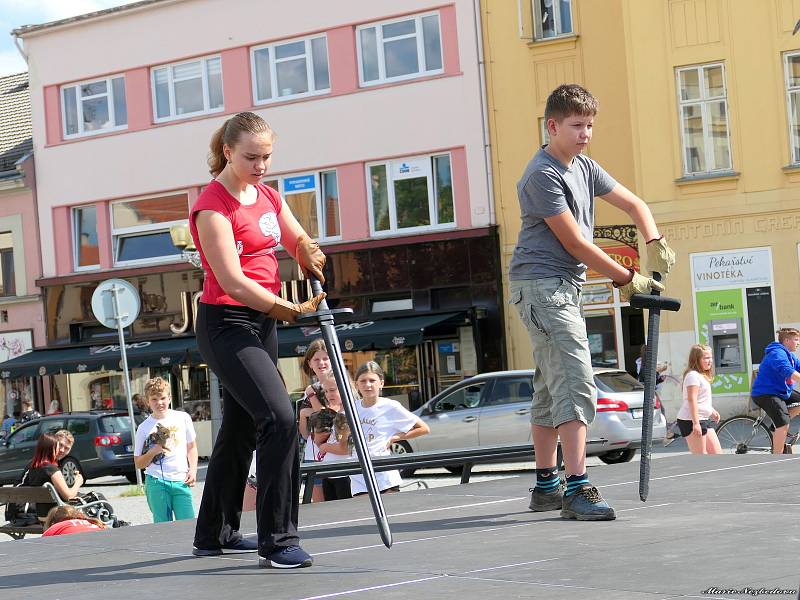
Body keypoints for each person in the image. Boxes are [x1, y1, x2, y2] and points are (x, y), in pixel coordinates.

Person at [508, 84, 675, 521]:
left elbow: (634, 203)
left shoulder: (583, 166)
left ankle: (547, 485)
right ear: (552, 126)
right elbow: (577, 243)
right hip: (543, 286)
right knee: (578, 381)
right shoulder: (541, 174)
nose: (585, 134)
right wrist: (627, 278)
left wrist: (652, 238)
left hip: (559, 287)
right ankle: (577, 489)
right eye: (577, 126)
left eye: (589, 126)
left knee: (550, 386)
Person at [189, 111, 326, 569]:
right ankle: (279, 540)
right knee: (281, 420)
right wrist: (282, 307)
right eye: (251, 157)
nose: (261, 165)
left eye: (267, 156)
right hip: (226, 323)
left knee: (242, 426)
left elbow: (294, 236)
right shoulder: (213, 206)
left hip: (260, 322)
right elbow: (231, 280)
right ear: (227, 152)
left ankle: (216, 532)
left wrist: (306, 249)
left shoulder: (267, 195)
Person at [350, 361, 430, 496]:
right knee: (364, 514)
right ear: (356, 384)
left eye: (372, 380)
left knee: (390, 514)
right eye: (363, 381)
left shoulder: (390, 406)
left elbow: (423, 428)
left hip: (384, 474)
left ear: (381, 383)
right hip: (359, 474)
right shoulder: (352, 408)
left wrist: (396, 437)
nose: (367, 385)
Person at [134, 377, 198, 523]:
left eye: (163, 398)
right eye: (154, 399)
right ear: (148, 401)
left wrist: (193, 470)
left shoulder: (183, 418)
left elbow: (191, 446)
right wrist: (153, 452)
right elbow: (138, 463)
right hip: (156, 482)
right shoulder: (144, 428)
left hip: (181, 480)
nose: (159, 403)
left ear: (169, 397)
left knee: (188, 524)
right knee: (163, 527)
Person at [751, 328, 800, 454]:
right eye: (795, 340)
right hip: (765, 393)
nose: (798, 342)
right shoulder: (776, 353)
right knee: (783, 424)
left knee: (784, 419)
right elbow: (787, 370)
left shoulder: (791, 356)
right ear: (787, 340)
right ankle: (777, 458)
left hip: (780, 392)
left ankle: (776, 427)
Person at [297, 340, 332, 503]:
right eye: (316, 360)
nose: (321, 363)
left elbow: (330, 417)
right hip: (313, 456)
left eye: (325, 358)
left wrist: (310, 406)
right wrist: (304, 415)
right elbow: (304, 433)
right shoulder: (310, 389)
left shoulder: (342, 386)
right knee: (319, 509)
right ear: (310, 363)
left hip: (336, 454)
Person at [24, 433, 84, 518]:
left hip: (41, 515)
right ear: (50, 448)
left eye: (66, 448)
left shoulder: (34, 466)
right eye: (58, 446)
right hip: (55, 515)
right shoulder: (51, 469)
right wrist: (78, 482)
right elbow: (69, 496)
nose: (61, 450)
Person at [676, 345, 721, 454]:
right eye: (706, 358)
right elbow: (692, 400)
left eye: (710, 357)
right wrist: (695, 423)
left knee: (717, 454)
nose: (710, 361)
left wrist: (711, 410)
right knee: (701, 458)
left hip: (703, 418)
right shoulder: (692, 376)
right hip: (690, 420)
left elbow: (701, 399)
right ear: (696, 359)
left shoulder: (701, 375)